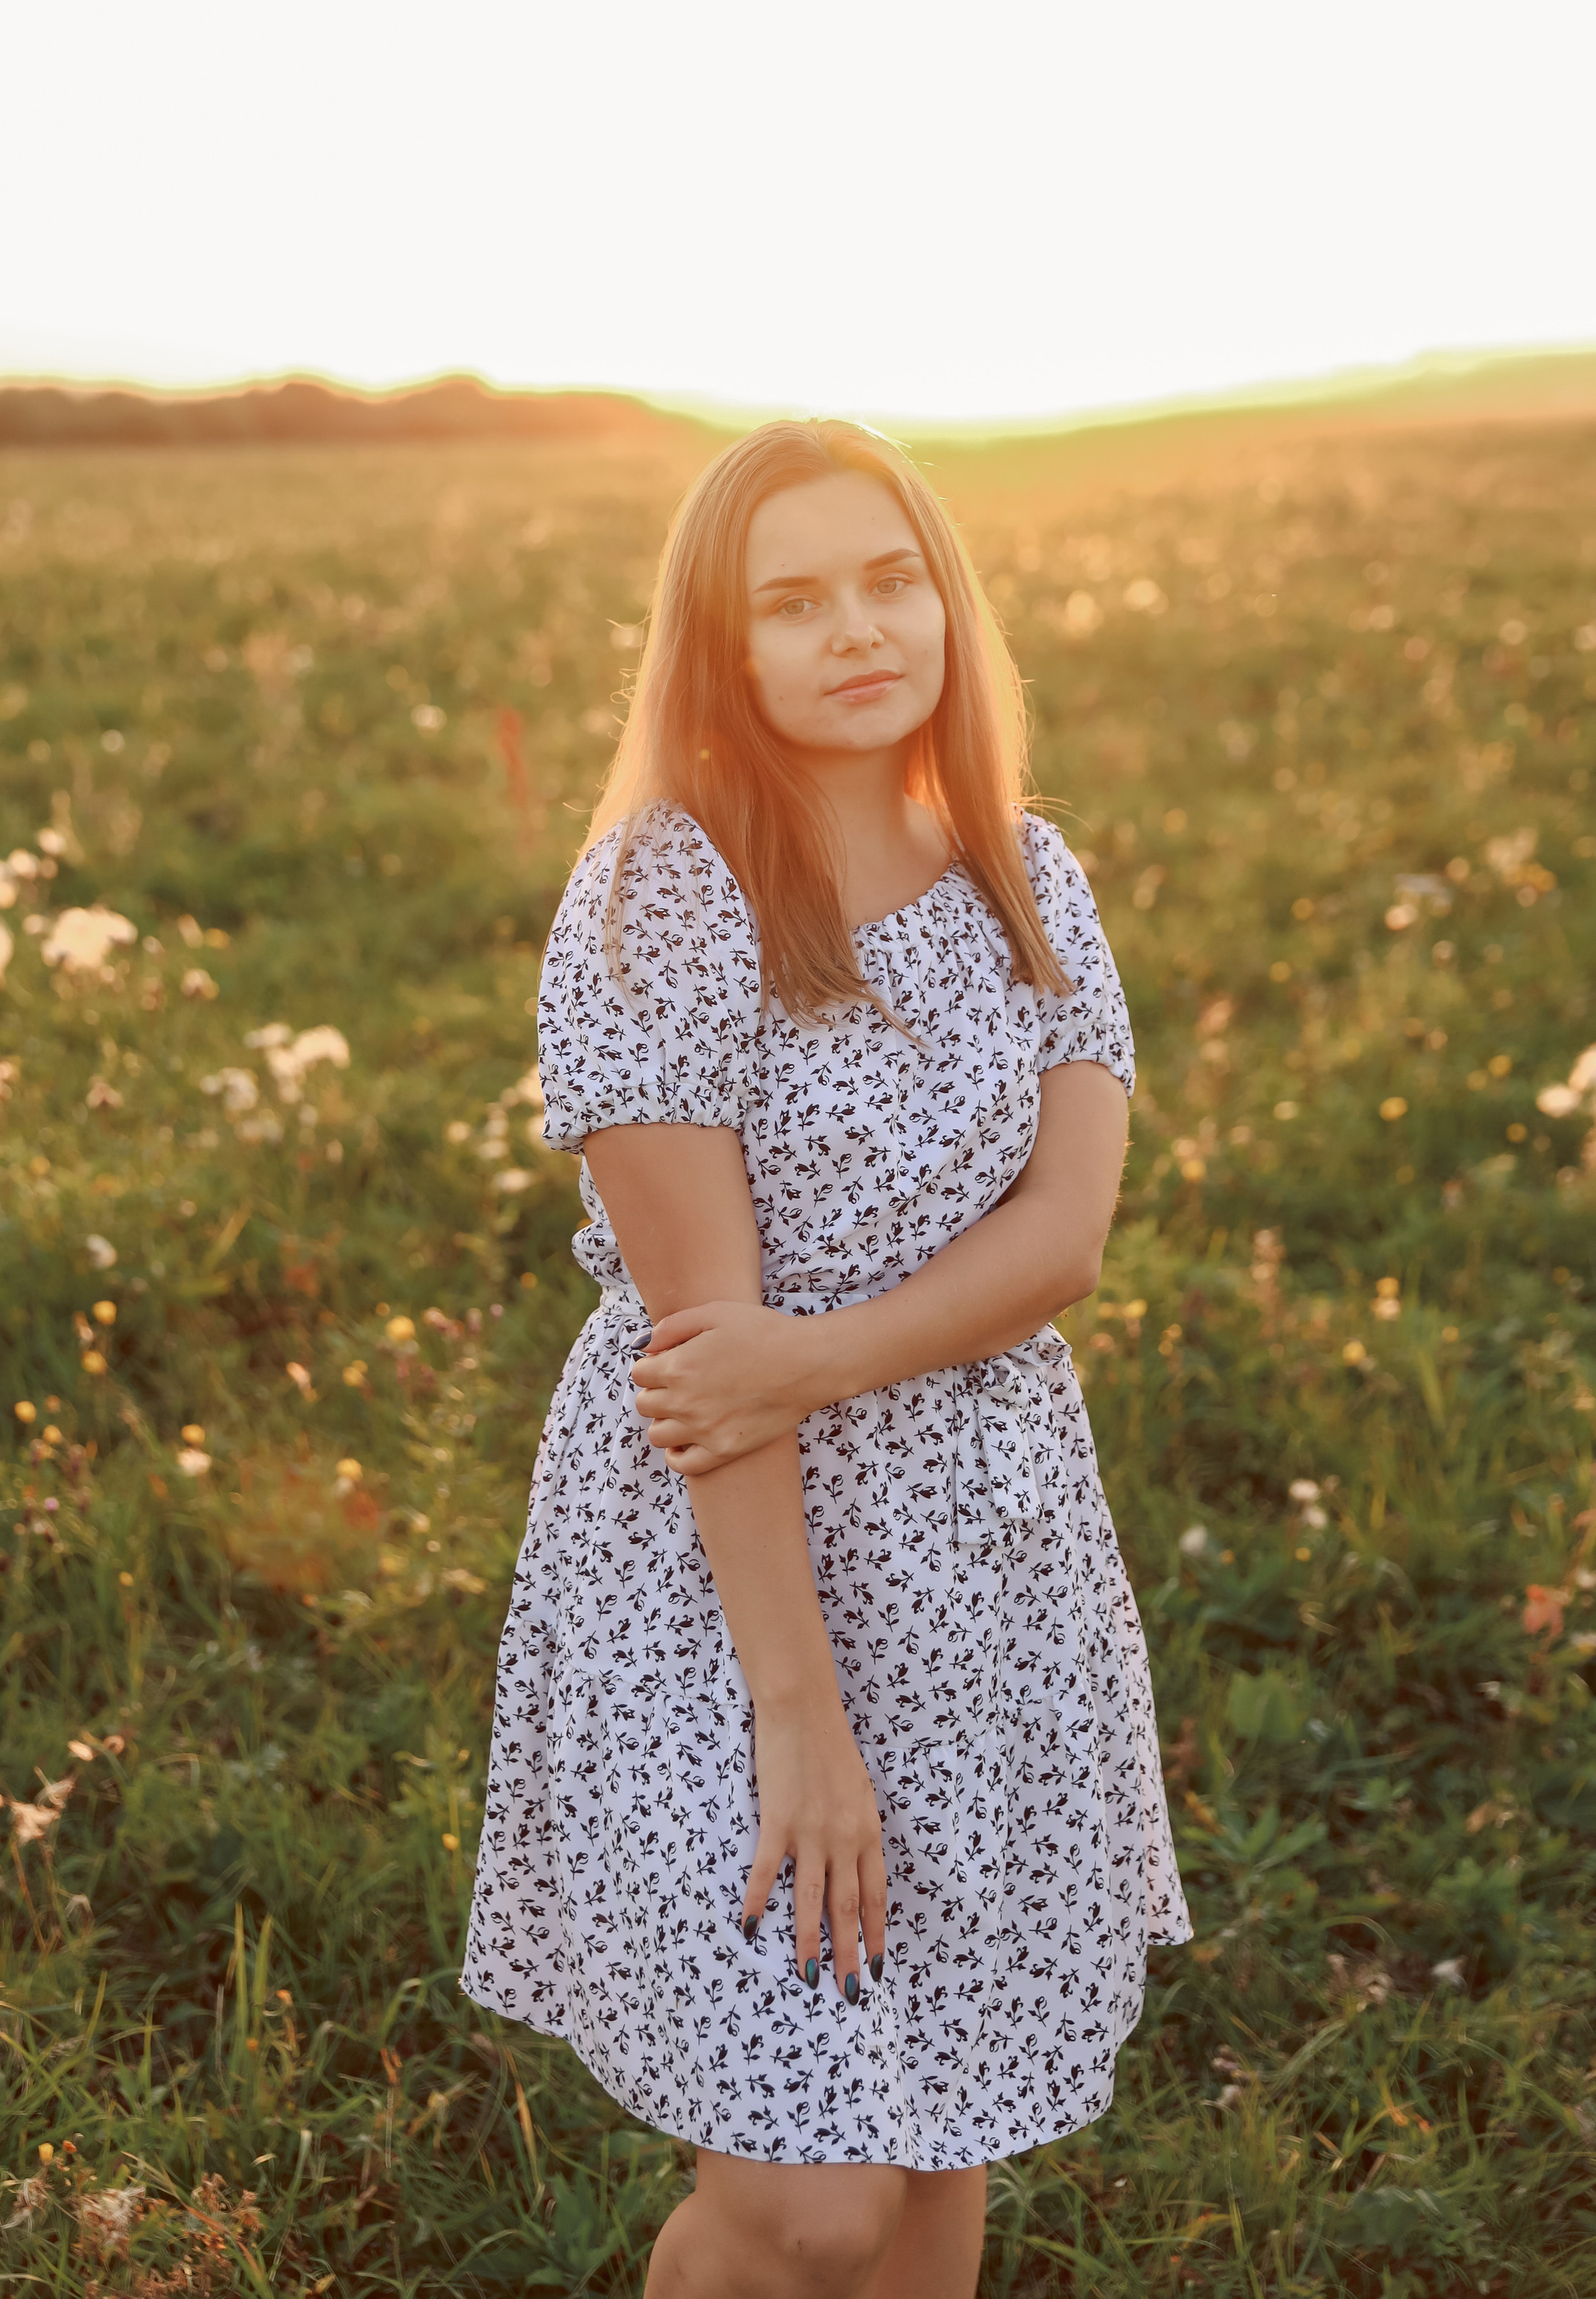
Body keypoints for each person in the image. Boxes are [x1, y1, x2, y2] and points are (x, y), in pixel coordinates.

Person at [462, 419, 1189, 2298]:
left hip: (985, 1550)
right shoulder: (659, 896)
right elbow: (707, 1357)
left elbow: (1061, 1239)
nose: (855, 630)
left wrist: (820, 1356)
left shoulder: (1029, 875)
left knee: (939, 2134)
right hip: (726, 1579)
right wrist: (797, 1713)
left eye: (889, 580)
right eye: (790, 601)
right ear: (719, 647)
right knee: (808, 2204)